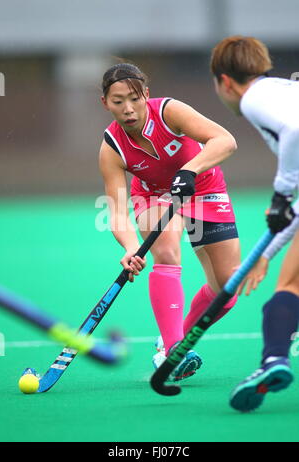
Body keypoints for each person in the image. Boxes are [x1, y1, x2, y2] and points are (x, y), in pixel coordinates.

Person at [99, 62, 240, 381]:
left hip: (203, 188)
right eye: (118, 102)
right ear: (105, 103)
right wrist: (132, 247)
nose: (128, 109)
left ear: (146, 95)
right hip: (153, 196)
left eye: (134, 99)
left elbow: (225, 140)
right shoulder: (112, 147)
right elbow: (118, 210)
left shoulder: (169, 111)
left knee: (227, 288)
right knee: (165, 252)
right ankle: (175, 349)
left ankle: (170, 342)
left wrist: (190, 170)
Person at [211, 35, 299, 412]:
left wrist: (281, 195)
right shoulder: (284, 91)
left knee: (290, 287)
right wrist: (269, 252)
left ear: (225, 81)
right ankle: (274, 359)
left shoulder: (256, 98)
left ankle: (275, 360)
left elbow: (296, 131)